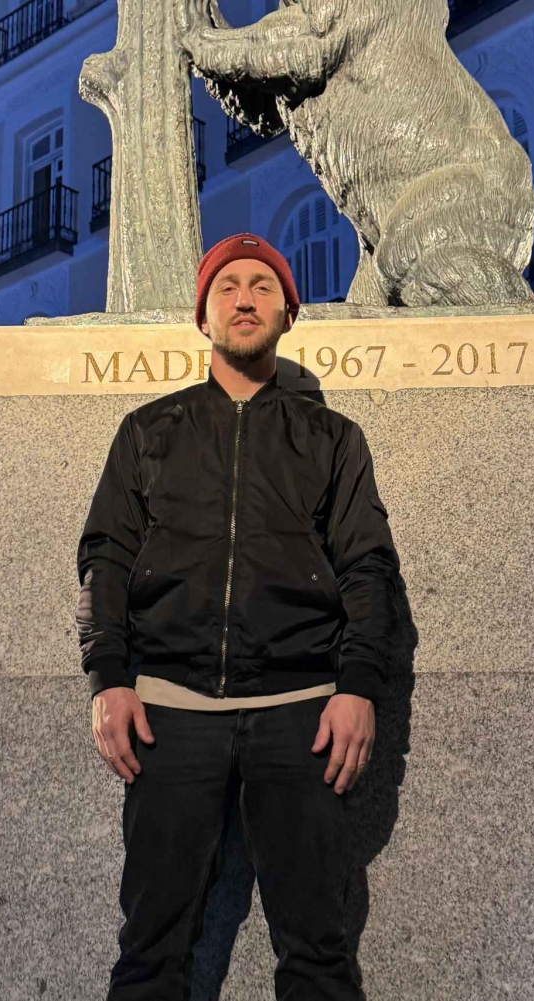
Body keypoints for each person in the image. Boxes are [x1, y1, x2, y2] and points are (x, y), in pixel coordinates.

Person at [76, 232, 398, 1000]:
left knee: (319, 953)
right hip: (169, 712)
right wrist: (107, 678)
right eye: (227, 286)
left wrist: (358, 686)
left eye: (262, 286)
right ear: (203, 315)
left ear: (288, 313)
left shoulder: (332, 437)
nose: (244, 298)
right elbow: (105, 560)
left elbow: (367, 567)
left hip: (302, 712)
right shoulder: (148, 431)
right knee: (150, 951)